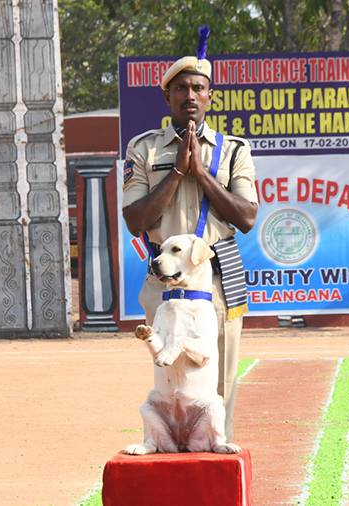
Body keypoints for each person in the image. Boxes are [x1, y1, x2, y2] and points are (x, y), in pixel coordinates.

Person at [122, 26, 258, 442]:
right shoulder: (144, 149)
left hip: (217, 275)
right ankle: (168, 455)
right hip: (163, 278)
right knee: (169, 376)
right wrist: (178, 170)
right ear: (168, 97)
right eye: (180, 88)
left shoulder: (234, 150)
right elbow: (134, 220)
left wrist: (201, 172)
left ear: (210, 96)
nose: (190, 96)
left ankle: (216, 459)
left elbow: (247, 216)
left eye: (199, 88)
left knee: (217, 379)